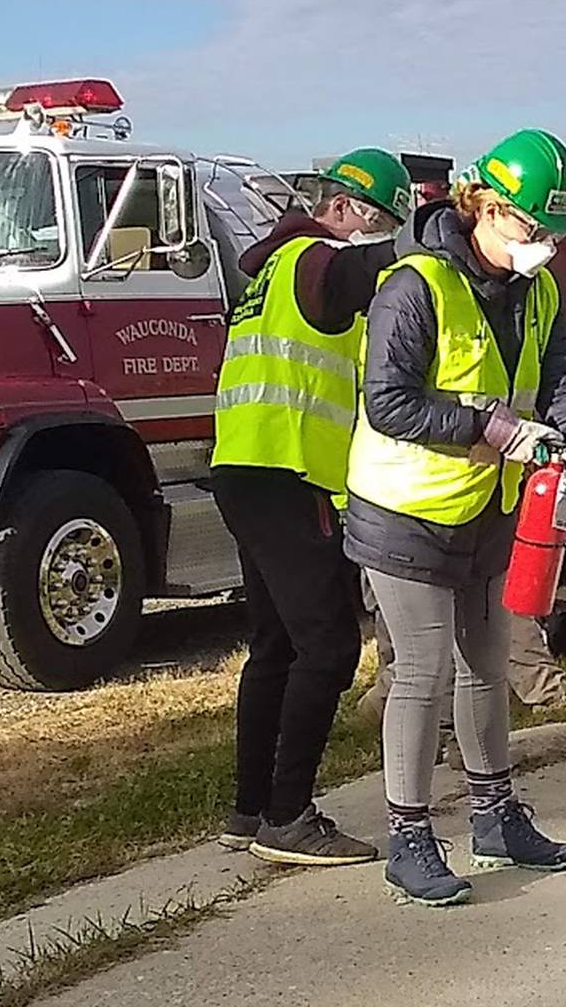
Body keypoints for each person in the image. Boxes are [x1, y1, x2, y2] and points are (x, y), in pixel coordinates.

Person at [343, 129, 566, 906]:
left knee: (489, 662)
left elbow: (565, 383)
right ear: (487, 207)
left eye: (554, 235)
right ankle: (408, 838)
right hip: (403, 510)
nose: (545, 247)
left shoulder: (536, 293)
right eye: (532, 229)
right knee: (425, 668)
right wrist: (496, 429)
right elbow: (390, 401)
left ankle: (496, 816)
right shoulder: (416, 286)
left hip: (485, 509)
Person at [210, 148, 412, 866]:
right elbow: (366, 269)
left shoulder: (269, 269)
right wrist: (441, 231)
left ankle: (248, 808)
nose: (380, 231)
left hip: (247, 467)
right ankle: (288, 815)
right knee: (328, 648)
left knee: (276, 646)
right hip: (290, 474)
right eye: (380, 218)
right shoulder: (313, 260)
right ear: (348, 210)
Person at [355, 573, 566, 748]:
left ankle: (444, 732)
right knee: (424, 647)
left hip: (416, 522)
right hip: (397, 527)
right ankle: (398, 714)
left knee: (477, 617)